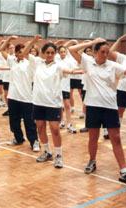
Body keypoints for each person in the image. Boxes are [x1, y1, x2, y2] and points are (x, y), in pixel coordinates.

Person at [68, 38, 126, 186]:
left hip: (110, 107)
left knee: (116, 138)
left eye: (107, 52)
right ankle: (92, 161)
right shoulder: (87, 61)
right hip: (92, 106)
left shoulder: (112, 65)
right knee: (93, 137)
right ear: (95, 52)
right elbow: (72, 50)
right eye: (102, 52)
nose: (105, 55)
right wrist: (90, 43)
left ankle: (124, 171)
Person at [25, 35, 82, 168]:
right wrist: (33, 42)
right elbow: (25, 53)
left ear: (55, 53)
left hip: (53, 103)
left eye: (52, 52)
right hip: (38, 102)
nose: (50, 55)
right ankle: (47, 151)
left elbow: (68, 70)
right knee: (40, 127)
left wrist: (76, 71)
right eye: (47, 52)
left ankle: (59, 154)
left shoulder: (58, 66)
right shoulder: (37, 63)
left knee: (55, 129)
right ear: (43, 53)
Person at [1, 36, 40, 152]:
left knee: (29, 122)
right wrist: (9, 39)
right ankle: (18, 138)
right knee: (14, 121)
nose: (22, 54)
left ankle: (34, 142)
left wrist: (33, 41)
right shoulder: (12, 61)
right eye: (19, 52)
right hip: (13, 96)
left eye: (24, 51)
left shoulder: (30, 63)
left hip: (26, 97)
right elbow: (2, 50)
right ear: (16, 53)